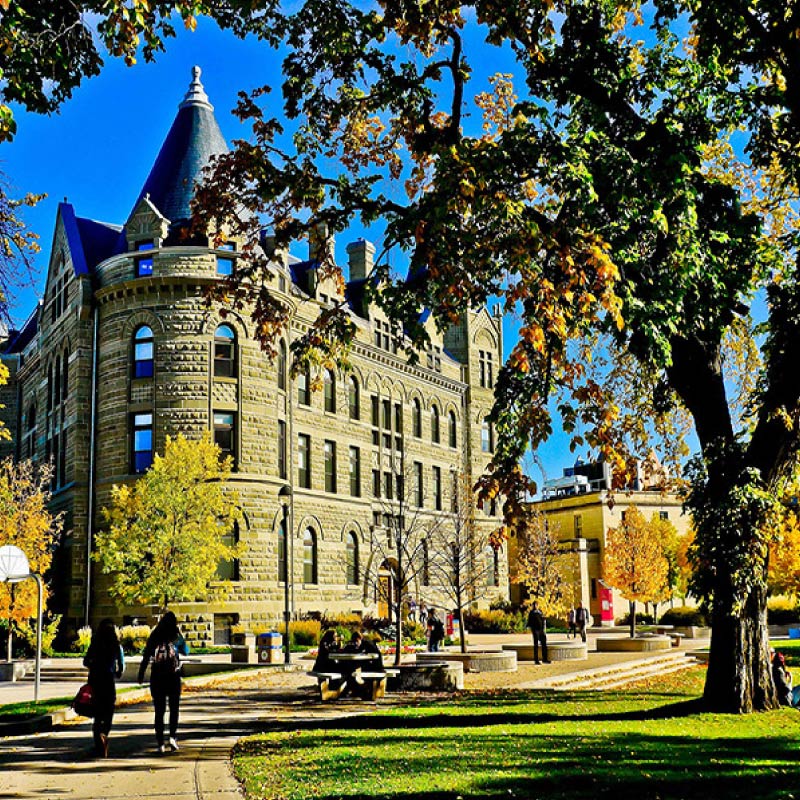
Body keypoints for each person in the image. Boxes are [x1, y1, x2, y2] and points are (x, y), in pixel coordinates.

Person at [138, 611, 189, 754]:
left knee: (159, 711)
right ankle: (172, 737)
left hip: (157, 677)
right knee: (174, 709)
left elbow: (146, 655)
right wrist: (179, 637)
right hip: (173, 677)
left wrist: (141, 674)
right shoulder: (174, 635)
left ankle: (160, 743)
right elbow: (186, 651)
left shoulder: (155, 634)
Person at [83, 618, 125, 758]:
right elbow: (121, 665)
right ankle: (104, 734)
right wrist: (116, 672)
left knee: (97, 713)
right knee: (108, 711)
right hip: (108, 681)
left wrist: (94, 667)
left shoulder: (95, 643)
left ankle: (98, 744)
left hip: (95, 681)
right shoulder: (116, 645)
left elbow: (85, 661)